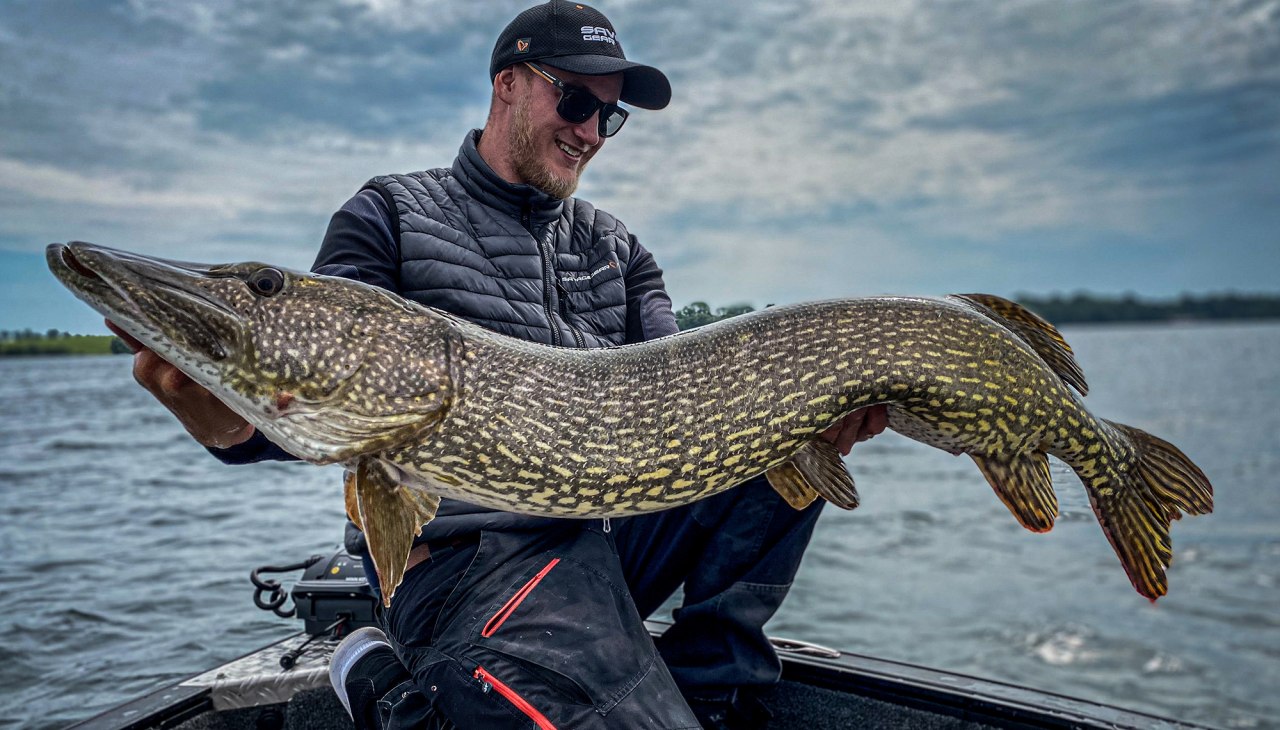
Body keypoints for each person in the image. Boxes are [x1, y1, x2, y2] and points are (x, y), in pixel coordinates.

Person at [113, 2, 888, 728]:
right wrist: (217, 419)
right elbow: (319, 399)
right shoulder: (389, 215)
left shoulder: (620, 250)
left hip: (601, 540)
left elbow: (676, 386)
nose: (591, 131)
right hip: (464, 563)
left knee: (778, 438)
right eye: (576, 102)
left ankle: (705, 689)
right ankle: (397, 675)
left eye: (609, 116)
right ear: (507, 85)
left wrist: (817, 407)